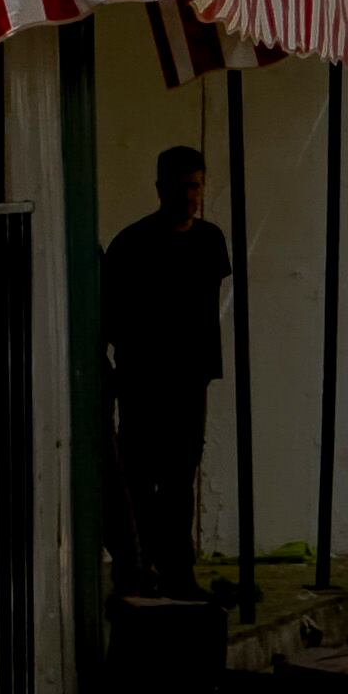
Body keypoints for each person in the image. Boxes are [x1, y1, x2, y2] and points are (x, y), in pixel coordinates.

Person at [104, 144, 230, 600]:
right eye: (182, 187)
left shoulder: (209, 240)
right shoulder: (132, 245)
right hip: (145, 378)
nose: (190, 196)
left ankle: (172, 569)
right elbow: (113, 315)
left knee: (178, 476)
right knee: (141, 474)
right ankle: (145, 566)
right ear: (161, 188)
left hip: (188, 377)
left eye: (195, 186)